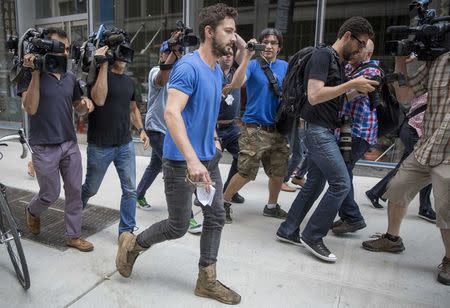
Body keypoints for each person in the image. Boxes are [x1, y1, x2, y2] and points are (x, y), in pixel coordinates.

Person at [115, 3, 241, 304]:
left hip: (207, 159)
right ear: (209, 32)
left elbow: (204, 113)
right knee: (178, 226)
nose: (234, 38)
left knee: (216, 217)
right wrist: (192, 159)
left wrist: (211, 139)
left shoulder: (213, 71)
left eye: (235, 32)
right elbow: (172, 114)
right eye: (229, 31)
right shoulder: (187, 67)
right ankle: (134, 245)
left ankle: (206, 279)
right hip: (181, 162)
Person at [276, 17, 377, 262]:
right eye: (361, 43)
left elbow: (332, 99)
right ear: (347, 36)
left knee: (315, 184)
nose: (362, 50)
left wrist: (356, 90)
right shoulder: (323, 56)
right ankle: (312, 235)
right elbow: (314, 95)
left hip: (323, 130)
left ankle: (288, 229)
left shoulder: (337, 61)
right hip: (317, 131)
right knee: (341, 183)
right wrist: (352, 83)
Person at [362, 50, 450, 286]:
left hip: (448, 152)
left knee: (446, 207)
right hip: (426, 145)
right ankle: (392, 238)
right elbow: (406, 96)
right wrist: (400, 61)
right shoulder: (439, 60)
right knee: (398, 187)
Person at [19, 28, 94, 252]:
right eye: (60, 48)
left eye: (68, 49)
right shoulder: (28, 73)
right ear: (45, 47)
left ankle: (73, 235)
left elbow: (78, 108)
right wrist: (34, 72)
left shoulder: (71, 78)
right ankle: (32, 211)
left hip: (69, 143)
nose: (65, 53)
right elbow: (30, 108)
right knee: (49, 194)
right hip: (43, 146)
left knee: (74, 191)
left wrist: (85, 106)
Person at [81, 34, 150, 236]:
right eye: (120, 52)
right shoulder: (96, 77)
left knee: (130, 190)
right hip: (100, 146)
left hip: (124, 145)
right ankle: (74, 213)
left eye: (126, 53)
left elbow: (132, 109)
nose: (124, 57)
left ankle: (126, 232)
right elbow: (99, 99)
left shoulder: (130, 82)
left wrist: (141, 130)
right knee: (90, 189)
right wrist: (103, 64)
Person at [135, 34, 202, 234]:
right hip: (157, 128)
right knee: (177, 169)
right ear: (162, 54)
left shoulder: (183, 73)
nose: (175, 55)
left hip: (172, 129)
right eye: (169, 51)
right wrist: (173, 54)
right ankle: (187, 216)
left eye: (180, 51)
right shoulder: (156, 70)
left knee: (156, 165)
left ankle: (138, 194)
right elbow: (162, 79)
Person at [222, 28, 290, 223]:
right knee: (245, 172)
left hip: (277, 128)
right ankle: (223, 203)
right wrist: (246, 57)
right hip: (255, 129)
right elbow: (236, 83)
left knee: (278, 172)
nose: (269, 46)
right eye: (265, 42)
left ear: (279, 47)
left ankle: (271, 206)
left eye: (274, 43)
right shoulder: (252, 65)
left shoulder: (285, 66)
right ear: (260, 45)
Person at [331, 39, 382, 234]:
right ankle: (348, 216)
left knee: (341, 173)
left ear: (367, 54)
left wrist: (332, 92)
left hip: (359, 131)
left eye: (359, 50)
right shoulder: (351, 68)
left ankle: (352, 217)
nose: (353, 52)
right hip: (347, 130)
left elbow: (348, 95)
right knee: (343, 173)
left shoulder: (371, 72)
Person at [365, 92, 436, 223]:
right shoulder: (438, 92)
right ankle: (425, 208)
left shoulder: (432, 89)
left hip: (412, 130)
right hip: (414, 131)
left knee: (404, 166)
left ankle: (375, 193)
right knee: (427, 165)